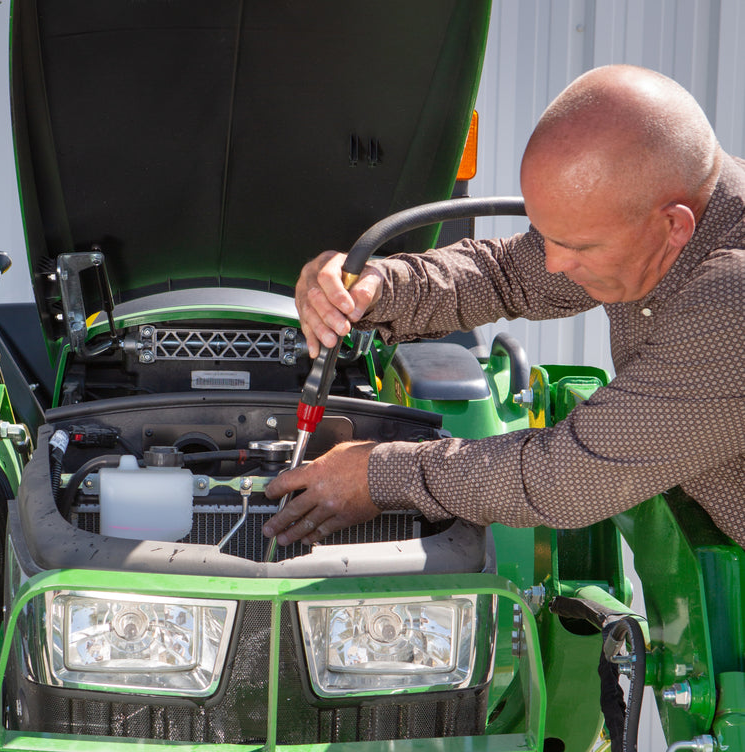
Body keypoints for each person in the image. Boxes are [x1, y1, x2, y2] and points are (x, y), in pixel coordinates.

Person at [262, 65, 745, 550]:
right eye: (547, 235)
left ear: (673, 227)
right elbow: (507, 272)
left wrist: (377, 473)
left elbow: (568, 475)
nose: (554, 263)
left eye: (576, 246)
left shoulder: (732, 300)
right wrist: (376, 285)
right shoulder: (648, 220)